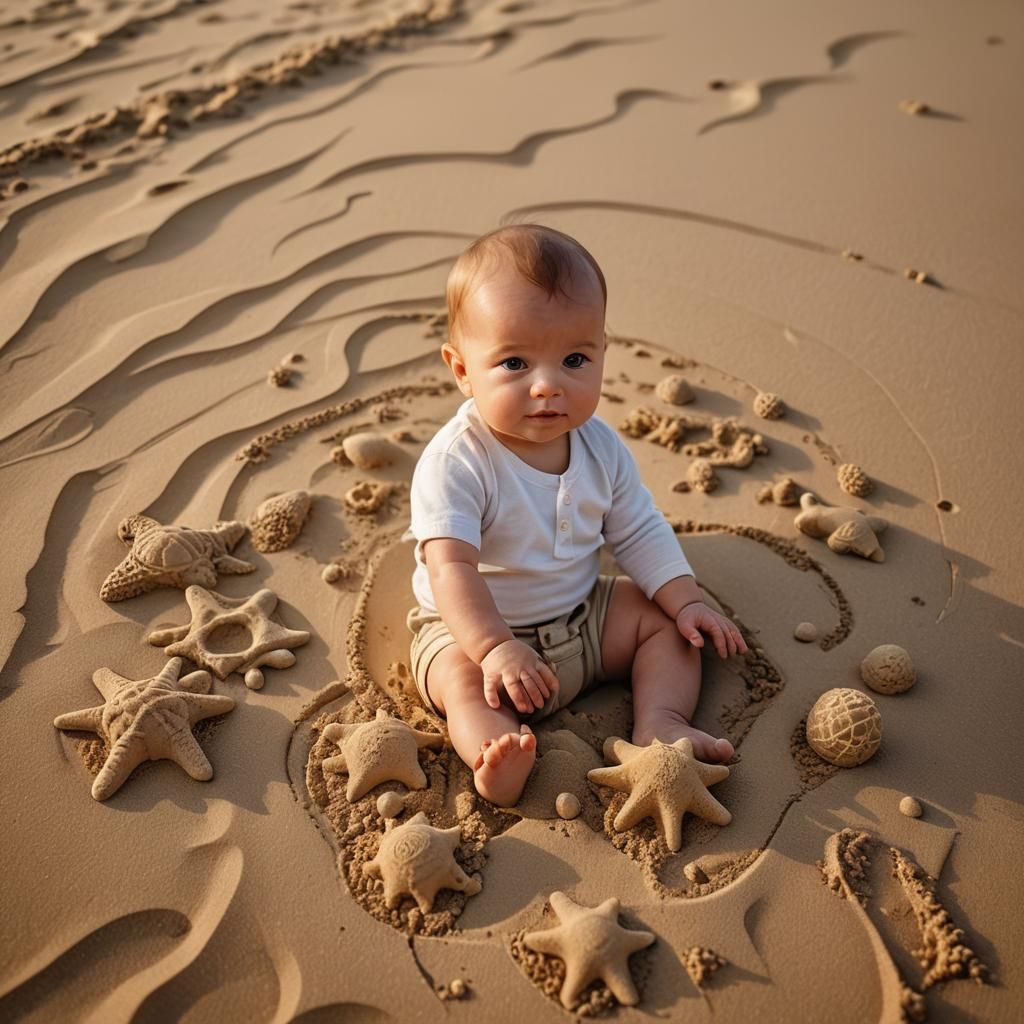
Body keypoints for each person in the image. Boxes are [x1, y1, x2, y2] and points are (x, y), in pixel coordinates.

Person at [403, 223, 747, 807]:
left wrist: (684, 597)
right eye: (514, 363)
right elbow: (450, 569)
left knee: (667, 626)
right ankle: (494, 754)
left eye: (574, 359)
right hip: (477, 632)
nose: (547, 386)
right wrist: (494, 648)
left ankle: (660, 720)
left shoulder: (601, 447)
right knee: (455, 680)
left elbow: (637, 528)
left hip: (583, 618)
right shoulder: (458, 462)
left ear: (602, 353)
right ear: (462, 369)